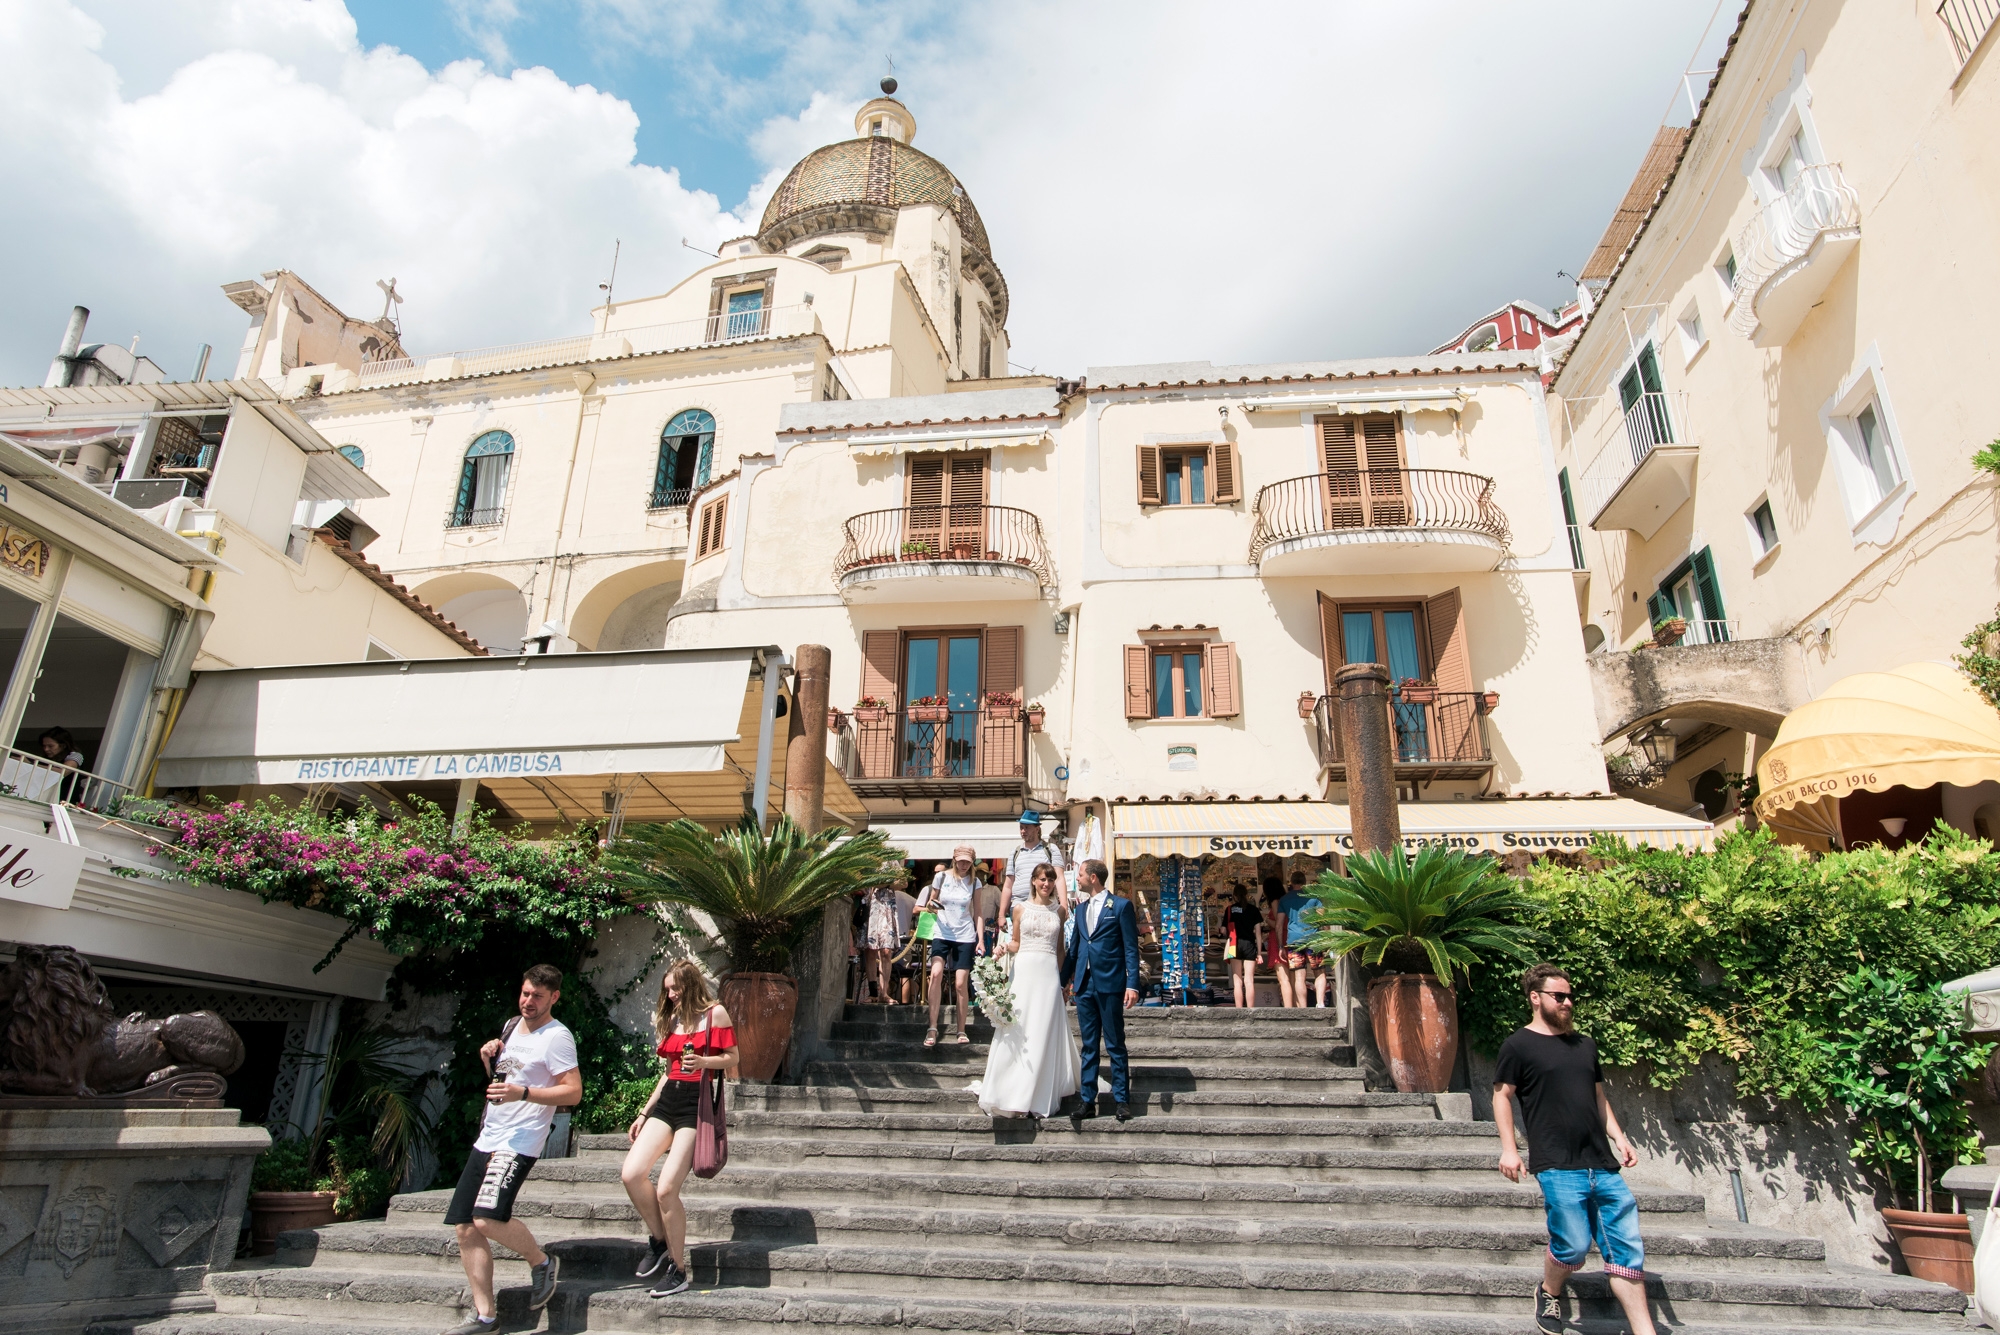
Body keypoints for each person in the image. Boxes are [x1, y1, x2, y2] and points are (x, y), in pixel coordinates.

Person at [1493, 963, 1656, 1335]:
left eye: (1570, 996)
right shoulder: (1517, 1045)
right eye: (1559, 996)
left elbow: (1598, 1097)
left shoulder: (1585, 1045)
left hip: (1601, 1162)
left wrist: (1619, 1136)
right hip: (1556, 1164)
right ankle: (1550, 1290)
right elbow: (1502, 1095)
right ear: (1535, 998)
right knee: (1575, 1245)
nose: (1567, 1003)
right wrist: (1509, 1149)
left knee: (1627, 1250)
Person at [442, 964, 580, 1335]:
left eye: (537, 996)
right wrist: (489, 1055)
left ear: (554, 997)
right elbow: (506, 1080)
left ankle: (542, 1261)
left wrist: (525, 1094)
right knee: (465, 1227)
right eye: (524, 993)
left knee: (487, 1218)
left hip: (519, 1139)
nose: (528, 1001)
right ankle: (486, 1317)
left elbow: (573, 1091)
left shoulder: (558, 1037)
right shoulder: (509, 1027)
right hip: (489, 1135)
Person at [620, 959, 739, 1299]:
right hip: (669, 1101)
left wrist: (704, 1062)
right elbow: (669, 1070)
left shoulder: (715, 1014)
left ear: (691, 986)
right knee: (631, 1173)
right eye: (667, 988)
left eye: (675, 988)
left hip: (695, 1106)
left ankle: (678, 1269)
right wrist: (645, 1111)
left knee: (666, 1189)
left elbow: (733, 1057)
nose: (670, 994)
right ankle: (659, 1239)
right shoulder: (674, 1020)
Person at [978, 862, 1080, 1118]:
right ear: (1034, 881)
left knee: (1043, 1028)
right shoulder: (1019, 908)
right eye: (1042, 880)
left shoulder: (1059, 911)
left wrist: (1063, 981)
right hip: (1024, 972)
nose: (1046, 884)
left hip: (1048, 975)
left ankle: (1039, 1090)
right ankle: (1013, 1088)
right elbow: (1016, 943)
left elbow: (1060, 950)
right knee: (1019, 1027)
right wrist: (1002, 948)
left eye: (1050, 880)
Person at [1062, 858, 1140, 1122]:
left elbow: (1131, 947)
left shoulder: (1120, 906)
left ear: (1093, 877)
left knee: (1115, 1043)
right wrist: (1062, 981)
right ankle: (1087, 1100)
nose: (1078, 879)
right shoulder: (1081, 910)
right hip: (1084, 985)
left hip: (1110, 983)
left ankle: (1121, 1099)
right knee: (1089, 1045)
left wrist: (1132, 984)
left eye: (1081, 874)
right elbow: (1074, 949)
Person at [915, 846, 986, 1047]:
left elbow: (978, 912)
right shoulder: (942, 877)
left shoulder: (975, 882)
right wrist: (931, 905)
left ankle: (961, 1029)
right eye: (961, 861)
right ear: (954, 860)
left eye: (968, 862)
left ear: (972, 862)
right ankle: (932, 1026)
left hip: (964, 934)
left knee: (960, 983)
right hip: (942, 931)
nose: (964, 865)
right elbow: (932, 901)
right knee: (936, 974)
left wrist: (980, 939)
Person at [1001, 809, 1067, 917]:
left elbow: (1059, 878)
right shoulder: (1015, 852)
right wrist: (1001, 915)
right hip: (1019, 906)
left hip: (1045, 906)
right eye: (1021, 827)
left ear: (1037, 829)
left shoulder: (1050, 849)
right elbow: (1008, 885)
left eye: (1027, 827)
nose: (1023, 831)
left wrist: (1064, 906)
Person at [1277, 873, 1328, 1009]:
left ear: (1291, 882)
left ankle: (1303, 1009)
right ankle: (1320, 1003)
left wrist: (1281, 946)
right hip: (1314, 939)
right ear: (1305, 882)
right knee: (1319, 972)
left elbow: (1279, 925)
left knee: (1299, 977)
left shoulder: (1284, 899)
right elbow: (1323, 919)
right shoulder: (1314, 898)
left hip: (1294, 941)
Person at [860, 875, 905, 1005]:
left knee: (886, 950)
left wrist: (884, 883)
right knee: (870, 950)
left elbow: (903, 882)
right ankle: (873, 992)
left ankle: (884, 993)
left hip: (886, 907)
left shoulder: (891, 861)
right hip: (869, 906)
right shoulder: (866, 860)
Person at [1223, 883, 1263, 1009]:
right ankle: (1250, 1009)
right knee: (1249, 981)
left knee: (1237, 981)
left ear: (1234, 896)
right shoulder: (1253, 910)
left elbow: (1224, 930)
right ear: (1246, 895)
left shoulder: (1230, 909)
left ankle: (1239, 1009)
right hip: (1249, 945)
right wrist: (1259, 953)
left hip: (1234, 944)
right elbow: (1258, 934)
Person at [1261, 878, 1293, 1007]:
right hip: (1289, 937)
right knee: (1292, 978)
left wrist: (1267, 920)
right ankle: (1295, 1007)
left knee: (1283, 978)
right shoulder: (1286, 900)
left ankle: (1288, 1008)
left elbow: (1278, 924)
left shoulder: (1275, 902)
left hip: (1278, 940)